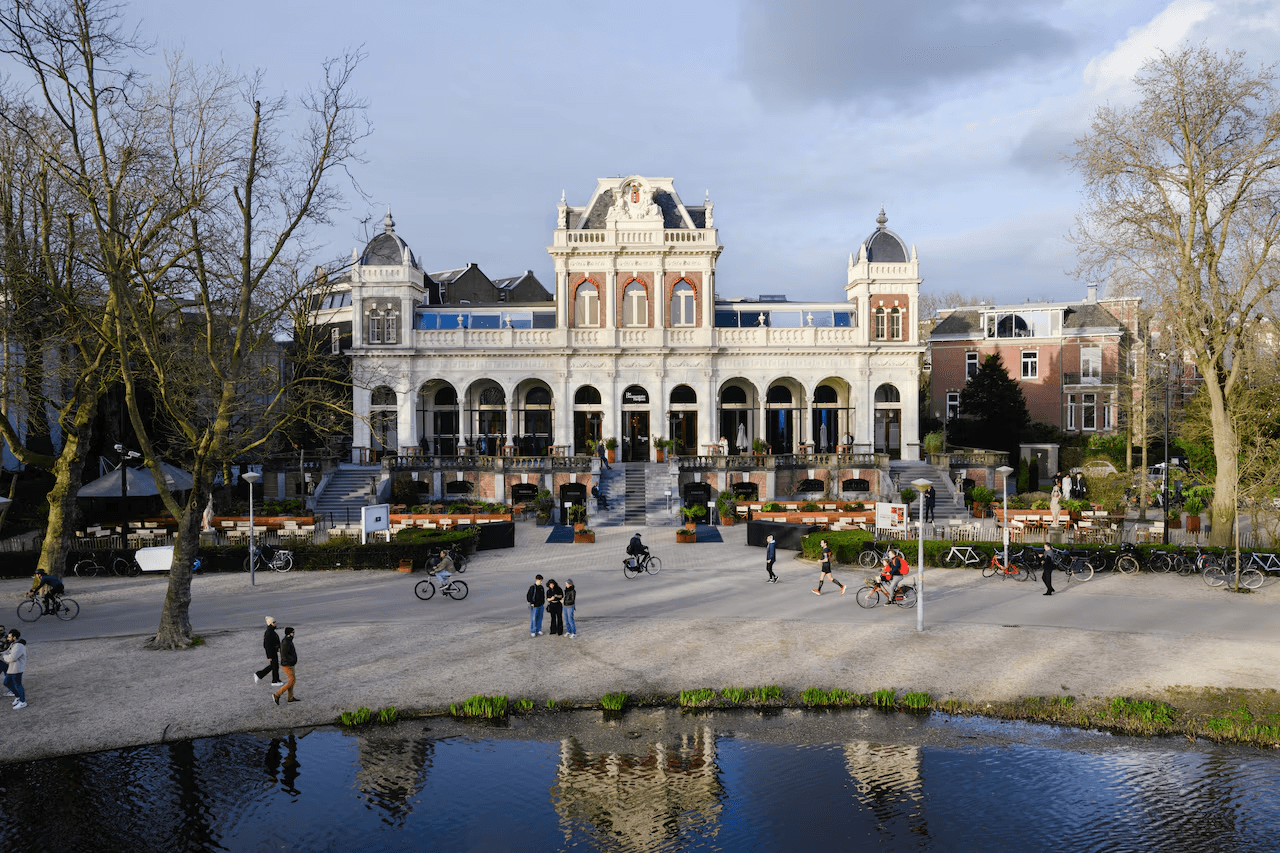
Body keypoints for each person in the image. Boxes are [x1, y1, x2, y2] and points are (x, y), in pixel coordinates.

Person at [255, 617, 284, 687]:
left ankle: (275, 679)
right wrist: (269, 656)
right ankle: (273, 680)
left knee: (274, 666)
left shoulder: (271, 631)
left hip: (274, 651)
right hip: (272, 652)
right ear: (270, 624)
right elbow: (267, 645)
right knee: (274, 666)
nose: (275, 624)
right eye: (273, 623)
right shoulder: (269, 632)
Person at [272, 627, 298, 704]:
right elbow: (284, 655)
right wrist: (291, 660)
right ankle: (277, 694)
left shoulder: (288, 640)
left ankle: (290, 697)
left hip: (290, 663)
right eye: (293, 633)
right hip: (287, 664)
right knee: (291, 680)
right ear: (289, 634)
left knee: (292, 680)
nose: (294, 634)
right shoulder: (286, 642)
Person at [3, 629, 26, 710]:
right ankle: (18, 696)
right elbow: (8, 653)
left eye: (9, 637)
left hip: (17, 668)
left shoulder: (18, 646)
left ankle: (23, 702)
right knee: (6, 682)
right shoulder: (14, 644)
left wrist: (3, 657)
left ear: (14, 637)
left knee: (18, 685)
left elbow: (12, 657)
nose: (8, 638)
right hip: (12, 668)